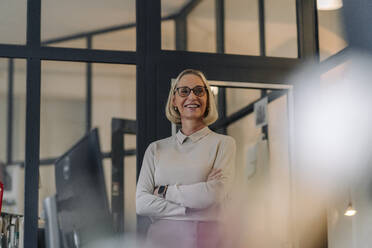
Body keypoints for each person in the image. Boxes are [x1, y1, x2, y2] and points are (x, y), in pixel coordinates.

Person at [136, 69, 236, 248]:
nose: (192, 96)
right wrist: (191, 208)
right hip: (161, 240)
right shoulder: (155, 149)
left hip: (207, 240)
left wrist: (163, 192)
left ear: (207, 99)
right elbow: (142, 203)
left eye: (199, 91)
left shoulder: (224, 144)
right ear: (174, 100)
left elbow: (214, 194)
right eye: (184, 91)